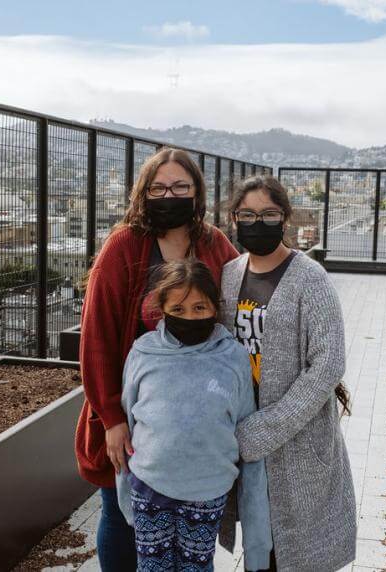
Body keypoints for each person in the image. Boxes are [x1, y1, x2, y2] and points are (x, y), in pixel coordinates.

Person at [75, 148, 239, 571]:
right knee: (120, 511)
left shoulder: (213, 244)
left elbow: (241, 311)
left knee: (190, 526)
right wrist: (111, 417)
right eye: (159, 187)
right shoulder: (124, 247)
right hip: (135, 414)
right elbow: (97, 339)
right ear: (143, 193)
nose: (170, 195)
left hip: (199, 417)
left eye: (180, 186)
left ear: (196, 192)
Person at [219, 175, 356, 572]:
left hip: (295, 442)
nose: (257, 222)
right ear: (233, 217)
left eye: (268, 214)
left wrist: (268, 427)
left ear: (285, 219)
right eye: (247, 214)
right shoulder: (230, 274)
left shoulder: (310, 279)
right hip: (244, 438)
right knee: (259, 544)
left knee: (296, 551)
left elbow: (328, 362)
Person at [115, 259, 272, 572]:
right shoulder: (143, 352)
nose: (189, 317)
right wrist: (124, 490)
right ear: (162, 309)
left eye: (200, 308)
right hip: (150, 486)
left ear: (215, 308)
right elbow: (129, 425)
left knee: (196, 568)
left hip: (207, 490)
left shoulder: (233, 357)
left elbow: (245, 428)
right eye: (179, 309)